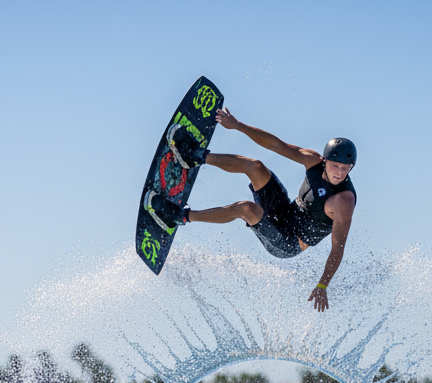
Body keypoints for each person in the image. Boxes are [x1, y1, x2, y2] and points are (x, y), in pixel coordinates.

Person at [143, 108, 357, 313]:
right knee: (255, 166)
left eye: (345, 169)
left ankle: (177, 216)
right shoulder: (313, 160)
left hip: (288, 242)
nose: (339, 172)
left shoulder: (343, 202)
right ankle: (194, 156)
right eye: (335, 166)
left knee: (246, 208)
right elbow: (276, 145)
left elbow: (338, 249)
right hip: (283, 212)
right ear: (325, 160)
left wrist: (322, 286)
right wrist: (237, 126)